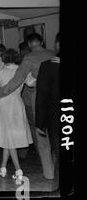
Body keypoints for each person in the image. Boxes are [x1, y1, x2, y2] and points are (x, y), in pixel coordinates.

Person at [0, 33, 55, 180]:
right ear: (42, 41)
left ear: (29, 44)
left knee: (41, 134)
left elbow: (16, 81)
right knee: (56, 131)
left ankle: (49, 172)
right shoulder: (54, 54)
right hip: (57, 96)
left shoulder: (29, 58)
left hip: (38, 97)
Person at [0, 49, 34, 184]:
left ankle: (18, 170)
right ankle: (3, 168)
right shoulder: (22, 70)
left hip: (3, 105)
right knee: (9, 136)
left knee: (8, 136)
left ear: (3, 58)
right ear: (17, 58)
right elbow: (31, 83)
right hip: (17, 104)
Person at [36, 33, 60, 182]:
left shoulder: (48, 65)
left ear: (57, 44)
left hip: (56, 114)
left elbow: (42, 95)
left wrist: (40, 122)